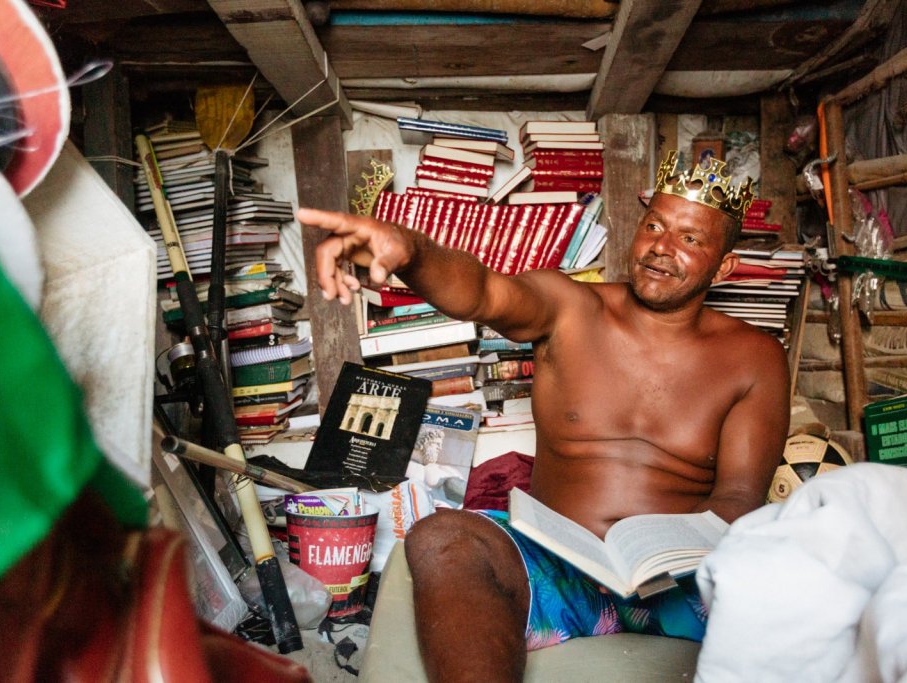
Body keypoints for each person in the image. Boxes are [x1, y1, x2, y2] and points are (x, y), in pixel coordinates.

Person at [298, 151, 790, 681]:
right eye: (654, 226)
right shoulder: (570, 307)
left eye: (690, 239)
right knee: (442, 537)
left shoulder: (754, 356)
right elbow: (484, 292)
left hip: (679, 584)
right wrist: (411, 251)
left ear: (725, 265)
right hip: (555, 567)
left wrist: (682, 565)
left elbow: (739, 498)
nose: (661, 249)